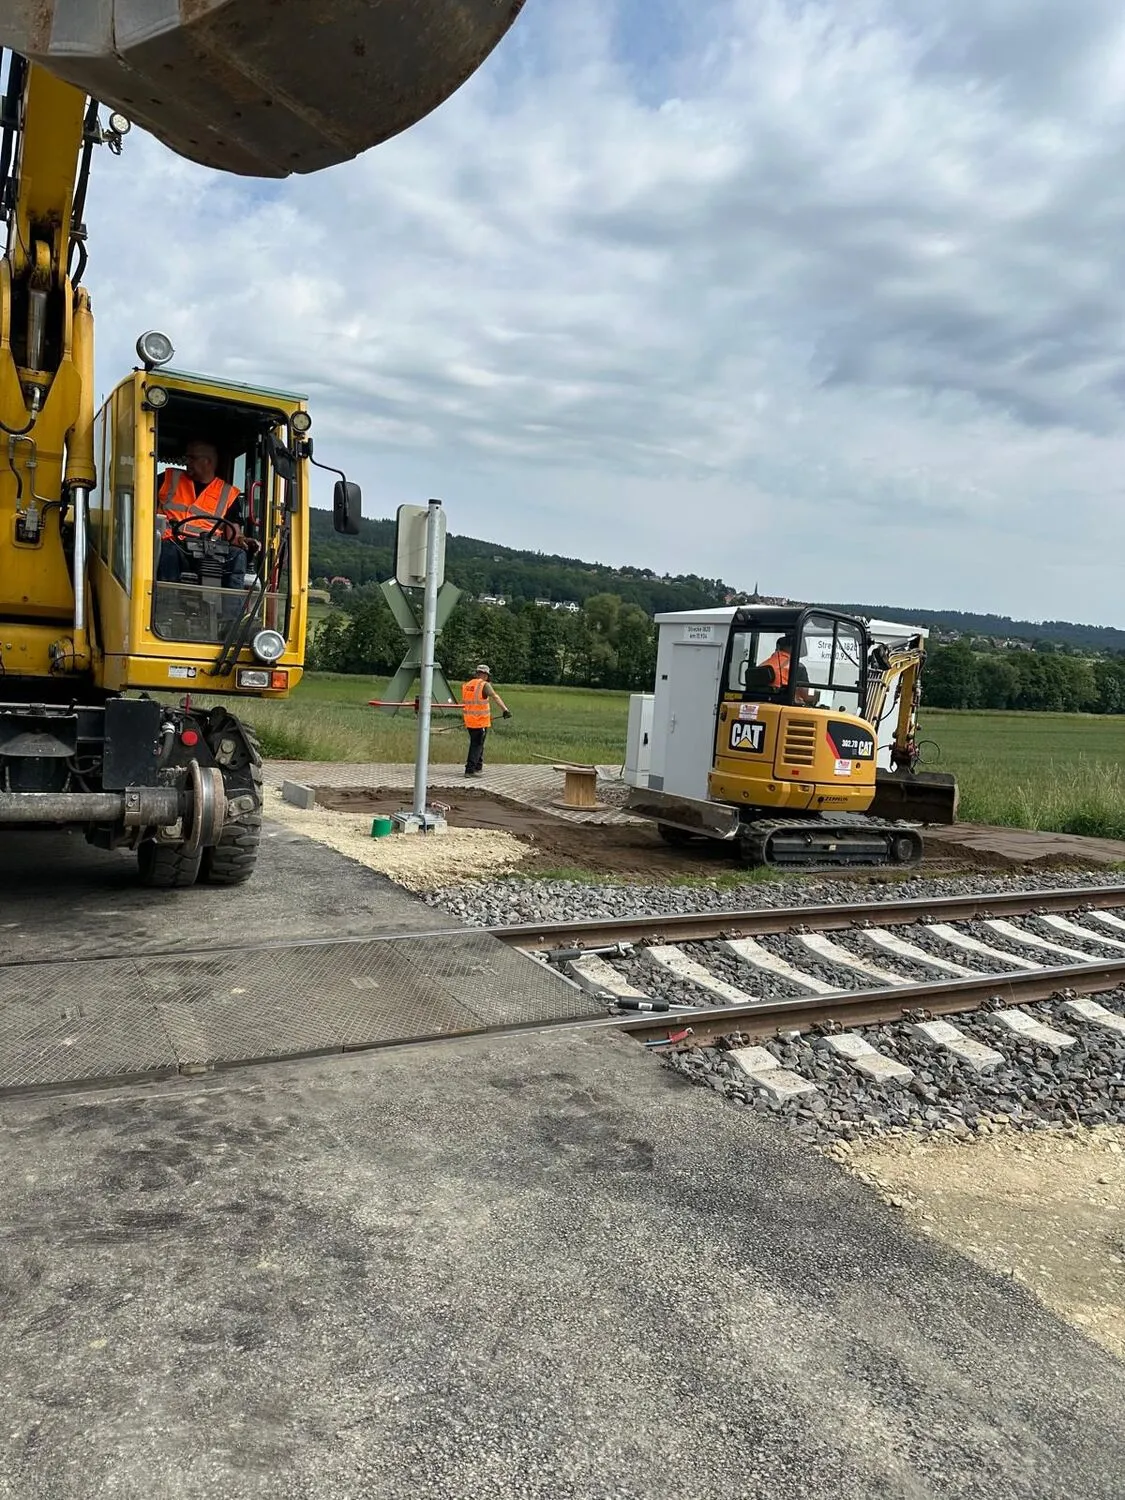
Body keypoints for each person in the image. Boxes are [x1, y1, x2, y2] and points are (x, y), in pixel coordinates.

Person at [156, 439, 247, 588]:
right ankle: (166, 602)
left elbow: (234, 535)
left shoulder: (228, 493)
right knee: (166, 551)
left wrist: (243, 540)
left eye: (192, 458)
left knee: (238, 555)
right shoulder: (167, 479)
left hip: (211, 551)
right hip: (172, 544)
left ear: (207, 462)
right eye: (187, 457)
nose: (187, 462)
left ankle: (232, 610)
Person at [461, 663, 511, 776]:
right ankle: (470, 770)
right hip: (479, 721)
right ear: (485, 675)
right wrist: (505, 710)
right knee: (476, 745)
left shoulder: (467, 685)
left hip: (469, 720)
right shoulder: (484, 685)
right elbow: (495, 697)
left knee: (478, 743)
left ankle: (478, 766)